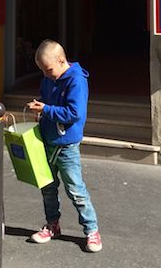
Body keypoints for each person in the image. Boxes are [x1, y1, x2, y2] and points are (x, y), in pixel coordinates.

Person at [26, 39, 102, 253]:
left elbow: (75, 113)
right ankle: (52, 225)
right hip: (47, 140)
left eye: (48, 69)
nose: (45, 74)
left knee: (76, 190)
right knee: (47, 188)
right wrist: (40, 105)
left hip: (66, 146)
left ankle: (91, 230)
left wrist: (46, 109)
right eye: (41, 70)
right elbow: (48, 100)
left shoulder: (76, 80)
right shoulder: (49, 78)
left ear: (61, 60)